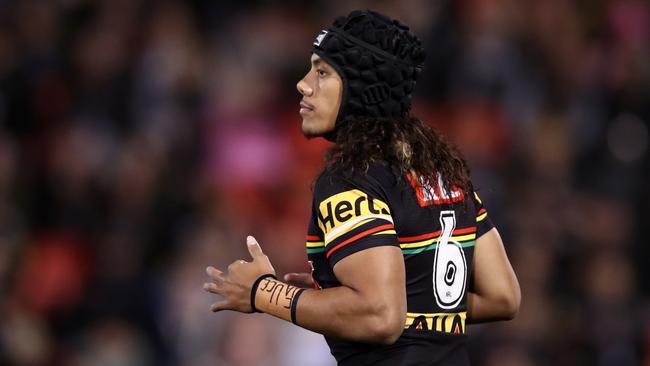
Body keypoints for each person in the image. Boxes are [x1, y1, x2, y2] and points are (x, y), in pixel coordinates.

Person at [203, 10, 520, 365]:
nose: (304, 84)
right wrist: (335, 303)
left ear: (360, 87)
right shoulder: (442, 172)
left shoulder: (351, 178)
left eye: (322, 72)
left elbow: (380, 316)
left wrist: (265, 293)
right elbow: (501, 296)